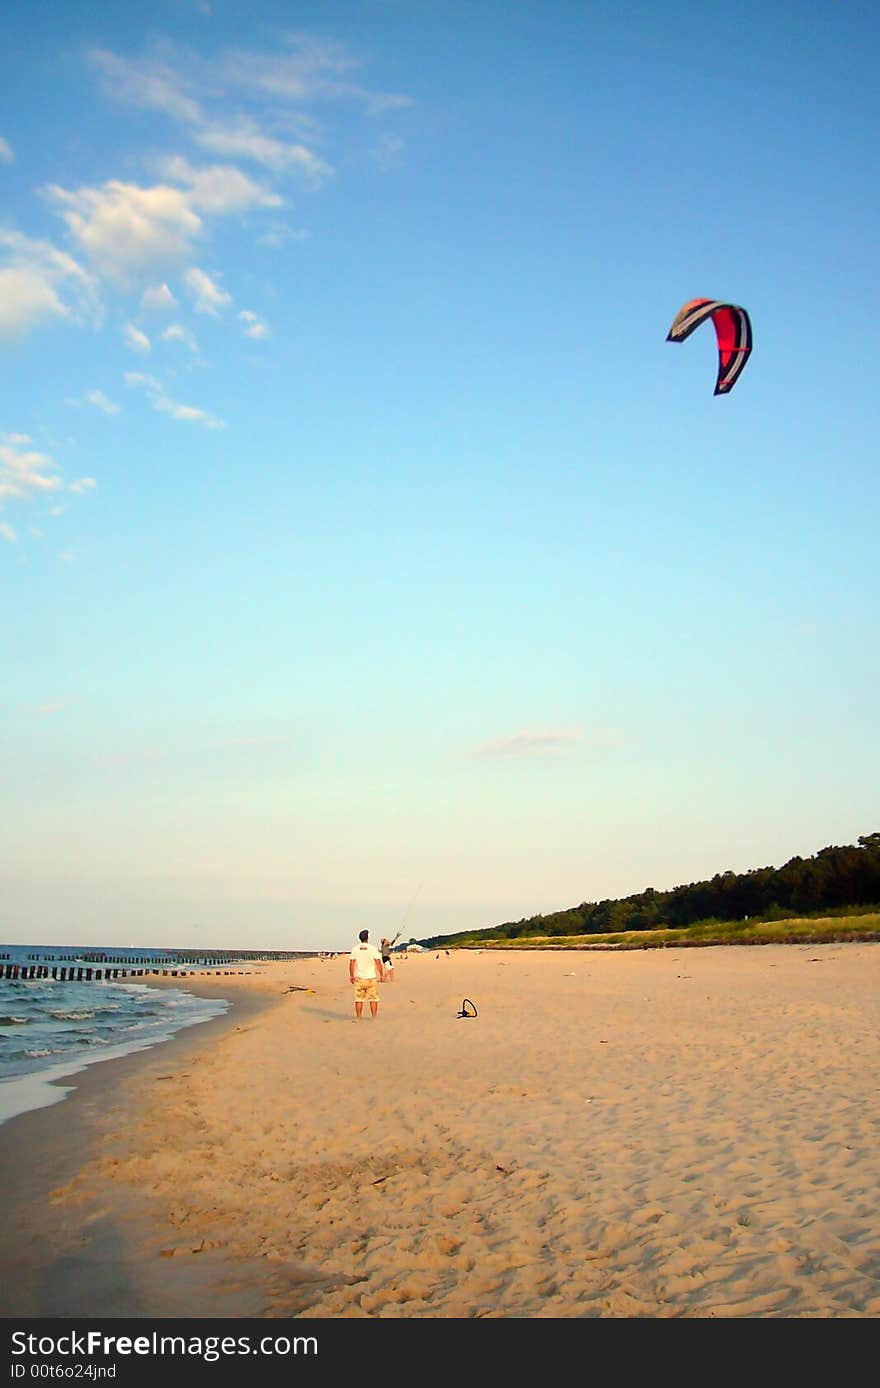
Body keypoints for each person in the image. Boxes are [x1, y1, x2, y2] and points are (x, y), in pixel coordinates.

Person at [349, 929, 385, 1019]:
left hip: (359, 978)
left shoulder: (355, 949)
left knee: (358, 999)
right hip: (371, 977)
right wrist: (381, 974)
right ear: (367, 938)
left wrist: (351, 975)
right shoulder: (372, 948)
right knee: (373, 998)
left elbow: (352, 963)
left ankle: (359, 1017)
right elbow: (378, 962)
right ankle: (373, 1017)